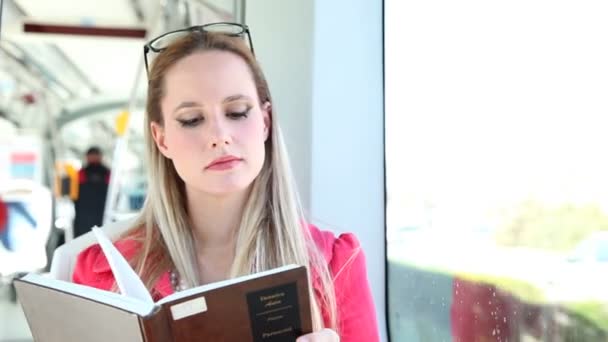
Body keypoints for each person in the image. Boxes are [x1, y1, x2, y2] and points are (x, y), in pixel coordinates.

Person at [72, 23, 379, 341]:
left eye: (237, 112)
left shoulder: (334, 266)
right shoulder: (101, 273)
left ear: (265, 122)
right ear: (161, 139)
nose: (219, 136)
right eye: (192, 120)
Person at [72, 146, 110, 238]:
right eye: (92, 155)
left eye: (96, 155)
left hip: (101, 214)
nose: (94, 158)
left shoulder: (108, 174)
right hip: (83, 216)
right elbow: (73, 196)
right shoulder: (80, 174)